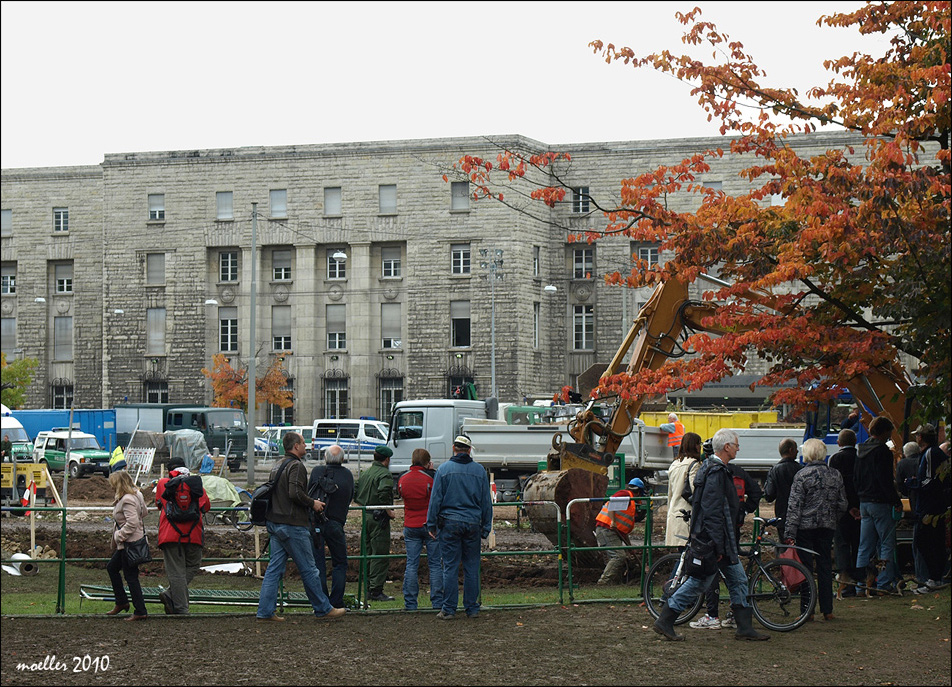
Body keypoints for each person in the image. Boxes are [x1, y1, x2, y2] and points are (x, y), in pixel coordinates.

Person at [653, 428, 769, 641]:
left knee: (737, 580)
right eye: (736, 445)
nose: (738, 448)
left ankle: (744, 627)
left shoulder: (710, 469)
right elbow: (713, 511)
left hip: (718, 540)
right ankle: (665, 620)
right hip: (716, 541)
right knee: (698, 582)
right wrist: (717, 544)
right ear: (727, 447)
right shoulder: (716, 472)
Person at [256, 432, 345, 621]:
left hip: (275, 522)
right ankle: (323, 608)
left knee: (274, 568)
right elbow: (294, 492)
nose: (306, 446)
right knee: (309, 569)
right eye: (303, 443)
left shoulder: (278, 464)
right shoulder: (296, 466)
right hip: (292, 524)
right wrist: (312, 503)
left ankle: (265, 611)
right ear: (296, 446)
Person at [690, 452, 763, 631]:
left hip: (717, 533)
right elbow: (756, 492)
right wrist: (743, 510)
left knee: (712, 574)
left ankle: (712, 614)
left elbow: (707, 504)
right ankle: (736, 616)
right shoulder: (736, 472)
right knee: (734, 574)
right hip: (731, 529)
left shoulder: (712, 472)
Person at [427, 434, 493, 620]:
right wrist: (486, 526)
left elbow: (435, 500)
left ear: (454, 448)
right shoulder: (479, 471)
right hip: (472, 523)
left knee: (450, 567)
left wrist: (431, 524)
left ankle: (448, 609)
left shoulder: (444, 470)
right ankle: (472, 608)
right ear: (469, 450)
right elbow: (486, 502)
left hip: (449, 524)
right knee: (472, 567)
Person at [784, 437, 848, 621]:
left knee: (805, 569)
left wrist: (790, 532)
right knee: (825, 567)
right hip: (827, 527)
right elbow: (843, 503)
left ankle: (807, 610)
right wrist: (833, 518)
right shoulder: (835, 475)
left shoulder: (802, 475)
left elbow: (794, 506)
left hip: (805, 527)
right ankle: (827, 610)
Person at [155, 458, 210, 615]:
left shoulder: (163, 483)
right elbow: (206, 506)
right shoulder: (196, 485)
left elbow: (158, 503)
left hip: (170, 534)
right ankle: (173, 598)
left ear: (169, 470)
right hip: (193, 534)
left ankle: (180, 608)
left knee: (176, 573)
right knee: (193, 565)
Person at [854, 415, 902, 594]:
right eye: (889, 433)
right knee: (886, 544)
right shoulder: (882, 452)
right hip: (880, 502)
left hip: (864, 502)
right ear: (884, 432)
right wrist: (895, 501)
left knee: (864, 545)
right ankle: (883, 584)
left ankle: (860, 585)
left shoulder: (861, 450)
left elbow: (855, 478)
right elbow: (886, 481)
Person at [308, 443, 355, 609]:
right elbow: (350, 496)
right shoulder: (348, 475)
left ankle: (322, 603)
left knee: (318, 564)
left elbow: (309, 493)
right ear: (342, 458)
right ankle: (336, 601)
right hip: (336, 523)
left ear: (325, 457)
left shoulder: (316, 472)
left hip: (316, 523)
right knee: (340, 563)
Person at [905, 424, 950, 594]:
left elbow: (931, 480)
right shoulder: (934, 453)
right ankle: (935, 577)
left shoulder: (931, 453)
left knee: (924, 542)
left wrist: (913, 484)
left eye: (918, 436)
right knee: (933, 542)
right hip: (935, 504)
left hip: (929, 505)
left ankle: (933, 578)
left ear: (921, 437)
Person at [398, 448, 444, 610]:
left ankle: (410, 603)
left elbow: (400, 494)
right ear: (427, 462)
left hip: (410, 524)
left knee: (411, 564)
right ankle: (437, 601)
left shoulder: (403, 478)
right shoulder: (431, 479)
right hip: (430, 525)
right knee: (435, 565)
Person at [105, 469, 149, 620]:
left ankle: (139, 610)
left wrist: (119, 535)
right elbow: (144, 513)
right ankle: (122, 602)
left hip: (128, 543)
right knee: (113, 568)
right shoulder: (137, 494)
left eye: (113, 484)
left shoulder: (127, 499)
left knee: (130, 576)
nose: (111, 487)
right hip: (131, 541)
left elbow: (133, 522)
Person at [354, 445, 396, 602]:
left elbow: (356, 489)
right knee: (380, 554)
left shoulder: (366, 473)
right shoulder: (384, 474)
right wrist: (388, 510)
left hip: (367, 515)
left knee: (368, 553)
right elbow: (384, 492)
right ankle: (376, 590)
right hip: (379, 518)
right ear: (386, 459)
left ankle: (368, 587)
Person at [594, 477, 648, 585]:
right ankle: (603, 583)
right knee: (618, 556)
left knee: (615, 556)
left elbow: (623, 532)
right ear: (638, 492)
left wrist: (629, 547)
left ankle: (613, 582)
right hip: (607, 529)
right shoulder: (625, 494)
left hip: (610, 531)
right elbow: (611, 504)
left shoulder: (629, 500)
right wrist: (612, 521)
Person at [829, 429, 863, 595]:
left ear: (839, 443)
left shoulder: (835, 459)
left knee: (841, 545)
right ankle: (859, 581)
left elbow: (835, 486)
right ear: (855, 441)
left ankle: (845, 583)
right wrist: (857, 506)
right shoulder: (860, 459)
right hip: (859, 508)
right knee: (858, 545)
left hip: (842, 510)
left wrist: (846, 506)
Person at [895, 440, 927, 588]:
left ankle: (921, 576)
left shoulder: (902, 464)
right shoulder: (923, 459)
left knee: (917, 544)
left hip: (913, 506)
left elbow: (900, 485)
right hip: (926, 506)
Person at [665, 432, 703, 548]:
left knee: (682, 554)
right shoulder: (694, 465)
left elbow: (670, 492)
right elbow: (695, 490)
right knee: (688, 555)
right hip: (687, 515)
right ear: (695, 445)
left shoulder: (675, 464)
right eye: (699, 443)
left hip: (674, 513)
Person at [763, 438, 802, 540]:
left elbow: (769, 495)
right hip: (801, 516)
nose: (798, 451)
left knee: (784, 547)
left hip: (782, 516)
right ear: (790, 450)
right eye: (796, 448)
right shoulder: (802, 470)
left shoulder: (774, 470)